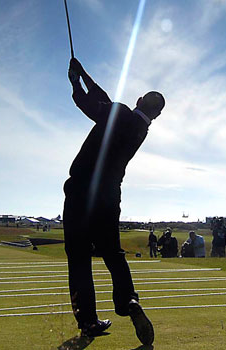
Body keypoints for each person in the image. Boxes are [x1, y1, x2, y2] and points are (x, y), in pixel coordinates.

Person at [63, 58, 161, 344]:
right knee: (112, 253)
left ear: (139, 100)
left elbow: (91, 104)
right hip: (108, 196)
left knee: (79, 257)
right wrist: (83, 75)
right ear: (155, 115)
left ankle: (89, 321)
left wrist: (76, 81)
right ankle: (129, 300)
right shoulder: (138, 130)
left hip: (81, 191)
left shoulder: (119, 114)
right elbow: (105, 102)